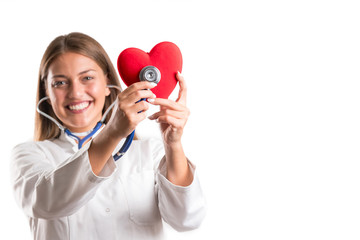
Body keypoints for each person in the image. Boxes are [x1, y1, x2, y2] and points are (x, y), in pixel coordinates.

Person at [10, 32, 206, 240]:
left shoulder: (151, 151)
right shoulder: (28, 154)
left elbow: (187, 220)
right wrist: (112, 131)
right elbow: (45, 202)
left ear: (107, 83)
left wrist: (173, 143)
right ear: (46, 93)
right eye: (60, 83)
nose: (75, 93)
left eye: (87, 78)